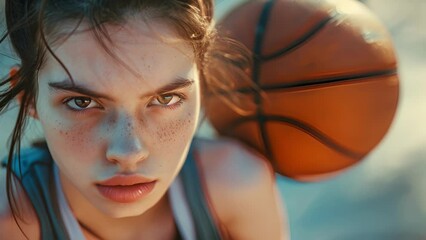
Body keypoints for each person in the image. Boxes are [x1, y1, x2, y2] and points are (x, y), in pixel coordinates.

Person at [0, 0, 287, 239]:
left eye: (165, 99)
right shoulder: (10, 226)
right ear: (29, 98)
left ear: (203, 82)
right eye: (81, 102)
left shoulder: (237, 188)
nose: (129, 153)